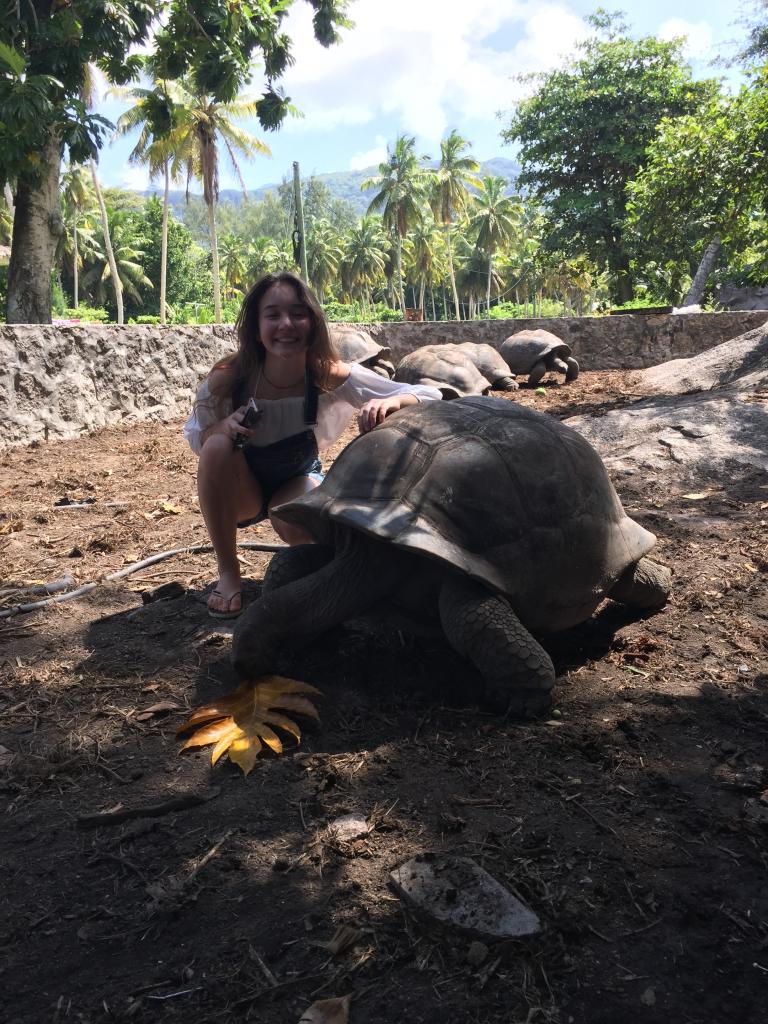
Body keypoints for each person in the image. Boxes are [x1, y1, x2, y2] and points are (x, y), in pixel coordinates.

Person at [183, 271, 442, 618]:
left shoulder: (326, 374)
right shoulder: (230, 377)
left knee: (299, 522)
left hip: (296, 483)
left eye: (297, 314)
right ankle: (229, 573)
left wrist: (398, 401)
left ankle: (326, 566)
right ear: (256, 327)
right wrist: (223, 427)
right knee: (216, 447)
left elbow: (430, 393)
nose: (286, 324)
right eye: (272, 314)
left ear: (313, 323)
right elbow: (197, 435)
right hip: (241, 489)